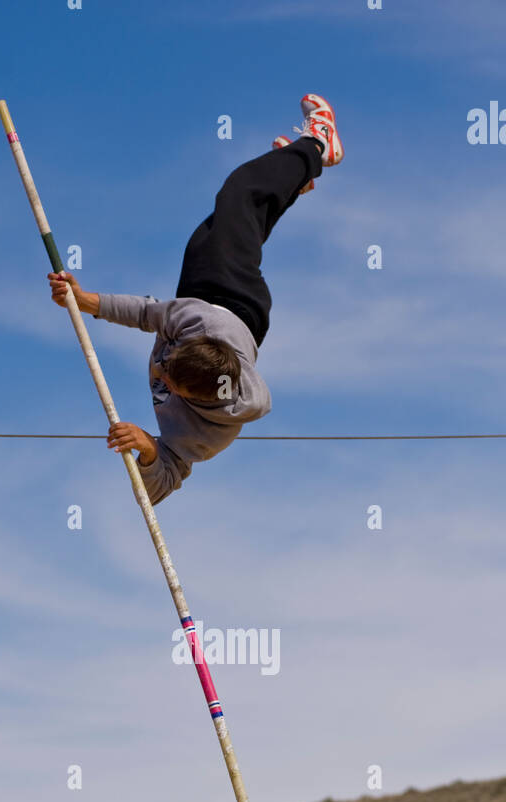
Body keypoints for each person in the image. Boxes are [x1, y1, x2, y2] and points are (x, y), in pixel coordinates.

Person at [49, 94, 344, 504]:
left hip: (210, 301)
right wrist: (85, 301)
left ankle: (292, 177)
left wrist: (150, 449)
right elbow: (147, 313)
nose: (161, 373)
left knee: (231, 223)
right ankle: (317, 145)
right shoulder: (198, 330)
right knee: (238, 195)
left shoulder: (205, 425)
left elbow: (155, 490)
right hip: (229, 297)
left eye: (167, 377)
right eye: (168, 368)